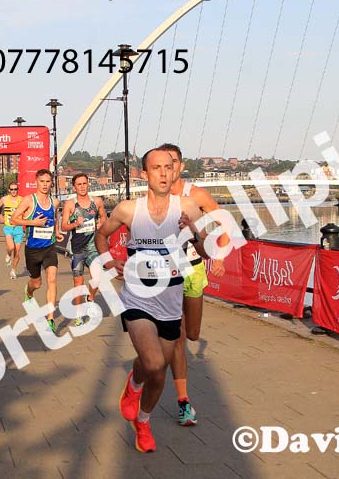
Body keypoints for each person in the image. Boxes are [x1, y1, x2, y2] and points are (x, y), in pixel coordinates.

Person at [95, 148, 208, 453]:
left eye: (167, 167)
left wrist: (194, 232)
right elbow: (101, 236)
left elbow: (206, 252)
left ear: (175, 172)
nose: (162, 173)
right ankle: (143, 425)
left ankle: (138, 397)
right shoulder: (129, 210)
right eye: (155, 168)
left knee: (152, 369)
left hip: (170, 301)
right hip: (137, 298)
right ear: (144, 174)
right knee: (156, 364)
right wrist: (109, 263)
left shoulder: (187, 207)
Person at [159, 143, 226, 426]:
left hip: (193, 270)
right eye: (162, 164)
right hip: (166, 274)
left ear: (181, 166)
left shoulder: (196, 195)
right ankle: (184, 402)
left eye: (172, 162)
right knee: (178, 336)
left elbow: (222, 221)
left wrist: (219, 254)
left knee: (193, 333)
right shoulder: (154, 197)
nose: (167, 168)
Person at [10, 169, 63, 332]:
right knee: (37, 283)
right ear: (36, 182)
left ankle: (50, 319)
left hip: (49, 247)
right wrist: (33, 222)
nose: (45, 185)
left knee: (52, 279)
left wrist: (57, 232)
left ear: (51, 183)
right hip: (33, 249)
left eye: (48, 181)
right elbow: (13, 219)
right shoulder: (29, 200)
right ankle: (29, 292)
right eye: (42, 181)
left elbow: (54, 218)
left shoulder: (55, 202)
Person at [60, 173, 107, 326]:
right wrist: (75, 224)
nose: (82, 187)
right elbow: (63, 226)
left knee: (97, 277)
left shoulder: (97, 201)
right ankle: (79, 314)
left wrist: (100, 224)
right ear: (74, 187)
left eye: (84, 184)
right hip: (77, 249)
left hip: (93, 246)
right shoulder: (70, 204)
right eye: (79, 184)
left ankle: (90, 299)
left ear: (88, 184)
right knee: (78, 283)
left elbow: (104, 218)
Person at [0, 183, 24, 279]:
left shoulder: (22, 200)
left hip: (18, 227)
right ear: (9, 190)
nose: (14, 191)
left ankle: (13, 270)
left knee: (17, 253)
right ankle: (8, 254)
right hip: (8, 227)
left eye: (15, 189)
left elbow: (28, 210)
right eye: (12, 189)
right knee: (11, 247)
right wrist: (0, 216)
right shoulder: (5, 199)